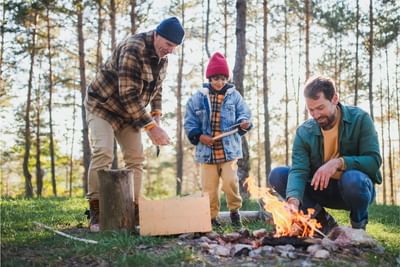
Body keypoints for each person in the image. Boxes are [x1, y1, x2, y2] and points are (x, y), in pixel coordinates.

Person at [84, 17, 185, 232]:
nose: (170, 50)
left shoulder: (162, 59)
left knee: (136, 158)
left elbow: (157, 89)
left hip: (129, 114)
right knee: (103, 151)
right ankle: (96, 211)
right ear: (156, 34)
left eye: (174, 47)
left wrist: (156, 115)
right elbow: (128, 94)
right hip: (103, 105)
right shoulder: (133, 48)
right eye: (168, 44)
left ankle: (133, 208)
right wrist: (151, 128)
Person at [268, 75, 382, 234]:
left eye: (320, 108)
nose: (315, 115)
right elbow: (299, 170)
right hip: (320, 188)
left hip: (353, 188)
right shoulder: (304, 132)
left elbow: (373, 161)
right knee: (278, 175)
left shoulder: (360, 119)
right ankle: (323, 223)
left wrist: (338, 162)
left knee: (353, 179)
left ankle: (358, 227)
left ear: (335, 99)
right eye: (311, 110)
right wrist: (293, 202)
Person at [184, 52, 252, 228]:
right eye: (215, 78)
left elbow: (244, 113)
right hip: (207, 153)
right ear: (209, 78)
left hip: (228, 151)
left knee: (230, 182)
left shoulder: (234, 96)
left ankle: (234, 212)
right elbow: (190, 121)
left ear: (227, 78)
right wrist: (199, 136)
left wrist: (243, 123)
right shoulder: (197, 98)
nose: (219, 82)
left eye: (222, 78)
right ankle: (211, 218)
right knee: (209, 188)